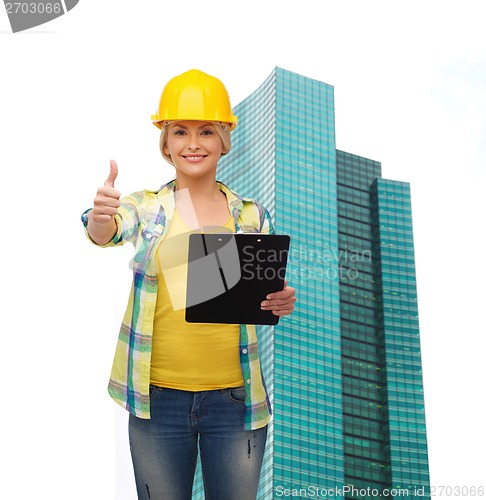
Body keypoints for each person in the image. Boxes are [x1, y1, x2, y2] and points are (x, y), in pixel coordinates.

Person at [81, 69, 296, 500]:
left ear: (223, 140)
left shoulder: (251, 216)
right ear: (166, 141)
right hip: (158, 401)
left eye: (205, 132)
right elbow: (108, 230)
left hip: (235, 404)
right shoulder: (147, 206)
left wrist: (281, 299)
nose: (193, 143)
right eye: (180, 131)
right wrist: (102, 218)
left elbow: (266, 292)